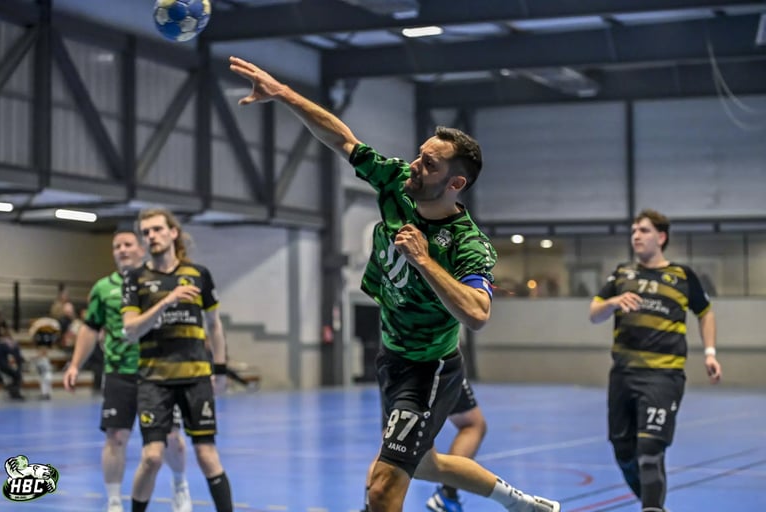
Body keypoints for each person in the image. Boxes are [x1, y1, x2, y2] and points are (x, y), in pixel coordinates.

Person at [229, 56, 560, 512]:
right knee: (424, 465)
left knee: (383, 487)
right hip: (391, 357)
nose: (415, 165)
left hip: (428, 368)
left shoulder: (467, 243)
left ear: (455, 182)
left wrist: (423, 261)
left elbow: (478, 313)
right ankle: (520, 504)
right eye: (419, 155)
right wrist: (284, 94)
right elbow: (342, 138)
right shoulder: (396, 182)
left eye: (429, 164)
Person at [589, 208, 722, 512]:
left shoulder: (682, 276)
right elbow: (594, 314)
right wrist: (613, 302)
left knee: (650, 448)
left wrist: (710, 353)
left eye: (644, 230)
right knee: (623, 450)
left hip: (663, 376)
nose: (636, 236)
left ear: (661, 237)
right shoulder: (621, 274)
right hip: (622, 375)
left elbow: (706, 313)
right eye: (634, 231)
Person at [62, 227, 192, 512]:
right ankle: (113, 501)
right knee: (116, 437)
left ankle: (180, 485)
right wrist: (74, 365)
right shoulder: (103, 288)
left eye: (128, 244)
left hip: (158, 371)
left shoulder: (160, 282)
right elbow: (90, 328)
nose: (121, 250)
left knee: (172, 438)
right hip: (120, 372)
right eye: (116, 246)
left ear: (142, 249)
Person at [121, 208, 232, 512]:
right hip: (154, 380)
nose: (152, 236)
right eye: (146, 232)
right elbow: (130, 330)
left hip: (196, 377)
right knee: (151, 457)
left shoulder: (199, 274)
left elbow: (214, 325)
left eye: (157, 229)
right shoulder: (135, 278)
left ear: (173, 233)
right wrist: (166, 301)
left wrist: (220, 369)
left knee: (207, 455)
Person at [359, 378, 488, 512]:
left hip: (393, 372)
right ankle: (448, 494)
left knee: (391, 446)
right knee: (473, 424)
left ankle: (370, 508)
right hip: (430, 371)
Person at [0, 309, 25, 401]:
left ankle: (13, 390)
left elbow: (8, 335)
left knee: (17, 374)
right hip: (1, 357)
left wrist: (8, 339)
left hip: (4, 355)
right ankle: (11, 388)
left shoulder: (3, 325)